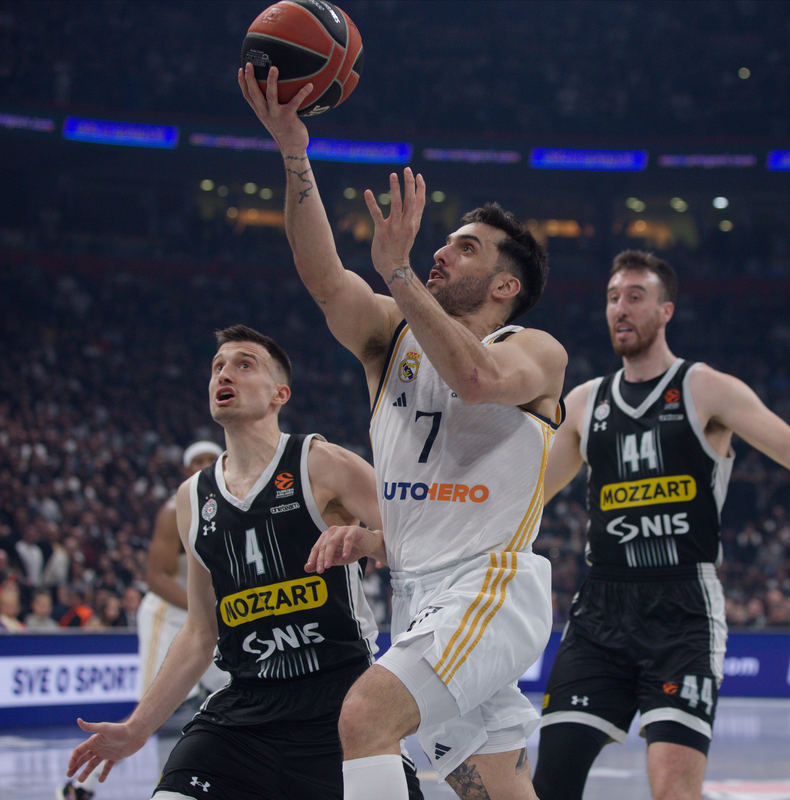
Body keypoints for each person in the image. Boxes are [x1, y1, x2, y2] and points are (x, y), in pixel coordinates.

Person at [241, 64, 567, 800]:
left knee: (365, 716)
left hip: (490, 590)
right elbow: (323, 275)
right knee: (488, 789)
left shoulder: (536, 351)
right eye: (443, 243)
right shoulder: (391, 337)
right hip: (417, 595)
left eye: (467, 247)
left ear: (506, 285)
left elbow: (475, 381)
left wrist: (398, 273)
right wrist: (295, 153)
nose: (443, 251)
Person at [529, 250, 790, 800]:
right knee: (550, 785)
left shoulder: (706, 389)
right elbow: (525, 498)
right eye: (612, 298)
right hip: (599, 611)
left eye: (635, 296)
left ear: (665, 311)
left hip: (682, 609)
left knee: (674, 792)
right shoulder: (585, 403)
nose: (620, 308)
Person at [65, 325, 422, 800]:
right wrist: (135, 729)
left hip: (340, 705)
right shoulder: (192, 499)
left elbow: (421, 539)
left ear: (280, 394)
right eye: (217, 366)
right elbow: (199, 632)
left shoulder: (322, 464)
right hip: (245, 710)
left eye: (243, 364)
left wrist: (368, 541)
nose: (223, 373)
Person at [136, 440, 230, 702]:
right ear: (186, 469)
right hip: (171, 611)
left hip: (214, 612)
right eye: (197, 462)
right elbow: (155, 577)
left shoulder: (234, 507)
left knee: (234, 686)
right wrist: (201, 607)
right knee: (157, 704)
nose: (205, 466)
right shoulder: (173, 511)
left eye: (211, 459)